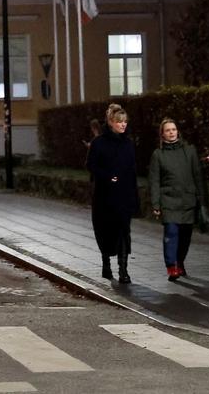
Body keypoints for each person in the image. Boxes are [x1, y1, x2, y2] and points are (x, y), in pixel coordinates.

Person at [86, 103, 140, 284]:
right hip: (104, 196)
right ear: (111, 122)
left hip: (124, 196)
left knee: (124, 232)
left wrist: (134, 198)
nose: (123, 125)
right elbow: (91, 166)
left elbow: (132, 170)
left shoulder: (128, 144)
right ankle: (106, 262)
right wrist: (108, 177)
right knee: (105, 232)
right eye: (119, 122)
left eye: (125, 122)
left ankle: (123, 269)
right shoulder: (99, 143)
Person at [149, 118, 207, 281]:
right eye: (168, 130)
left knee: (185, 236)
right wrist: (156, 202)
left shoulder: (190, 151)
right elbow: (154, 180)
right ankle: (171, 266)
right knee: (171, 232)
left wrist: (202, 201)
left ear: (177, 131)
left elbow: (198, 176)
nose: (171, 132)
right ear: (162, 134)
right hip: (168, 200)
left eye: (173, 129)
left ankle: (180, 262)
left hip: (188, 200)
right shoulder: (158, 155)